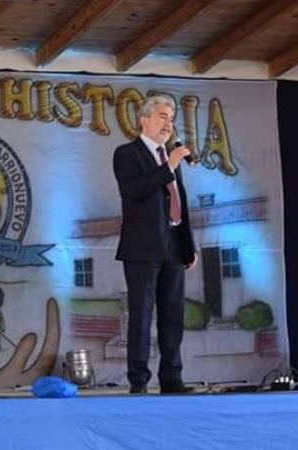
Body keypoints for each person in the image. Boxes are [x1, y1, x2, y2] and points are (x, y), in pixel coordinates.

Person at [112, 95, 198, 394]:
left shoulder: (170, 158)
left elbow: (180, 204)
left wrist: (189, 246)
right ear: (144, 119)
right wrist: (169, 166)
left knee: (173, 314)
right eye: (162, 116)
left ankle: (172, 378)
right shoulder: (127, 154)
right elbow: (134, 191)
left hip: (173, 244)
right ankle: (139, 381)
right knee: (141, 315)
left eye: (171, 119)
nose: (168, 124)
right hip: (142, 248)